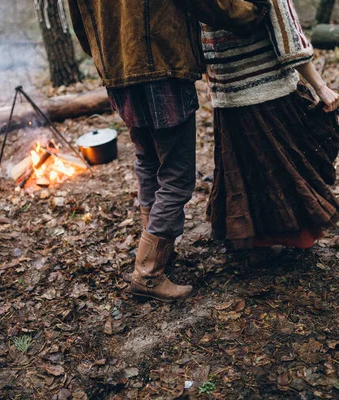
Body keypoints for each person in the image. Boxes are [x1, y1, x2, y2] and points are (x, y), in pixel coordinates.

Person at [67, 0, 266, 302]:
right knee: (176, 175)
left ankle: (157, 253)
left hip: (118, 70)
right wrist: (249, 13)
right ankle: (149, 273)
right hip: (162, 64)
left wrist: (107, 56)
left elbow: (81, 24)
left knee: (148, 161)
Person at [203, 0, 339, 258]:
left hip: (227, 92)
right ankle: (290, 235)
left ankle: (256, 239)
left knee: (247, 168)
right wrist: (319, 86)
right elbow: (288, 37)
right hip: (269, 89)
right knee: (285, 166)